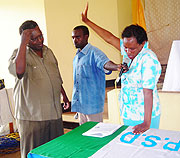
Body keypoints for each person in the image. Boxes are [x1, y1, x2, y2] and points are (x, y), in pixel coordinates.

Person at [81, 3, 161, 134]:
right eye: (125, 47)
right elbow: (108, 37)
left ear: (143, 44)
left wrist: (147, 123)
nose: (127, 51)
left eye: (132, 48)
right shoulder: (129, 51)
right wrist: (87, 21)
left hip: (144, 116)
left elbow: (148, 92)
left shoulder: (148, 59)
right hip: (129, 113)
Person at [8, 20, 70, 158]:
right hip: (32, 117)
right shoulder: (19, 54)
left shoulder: (48, 52)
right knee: (34, 153)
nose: (39, 40)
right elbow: (19, 71)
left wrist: (64, 96)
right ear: (25, 39)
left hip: (54, 114)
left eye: (40, 36)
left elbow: (56, 77)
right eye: (33, 38)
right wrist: (23, 43)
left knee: (56, 151)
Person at [71, 25, 121, 125]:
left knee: (95, 135)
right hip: (81, 105)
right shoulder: (77, 57)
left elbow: (105, 63)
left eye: (78, 37)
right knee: (83, 135)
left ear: (86, 37)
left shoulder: (94, 53)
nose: (75, 40)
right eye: (73, 38)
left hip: (93, 106)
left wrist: (117, 66)